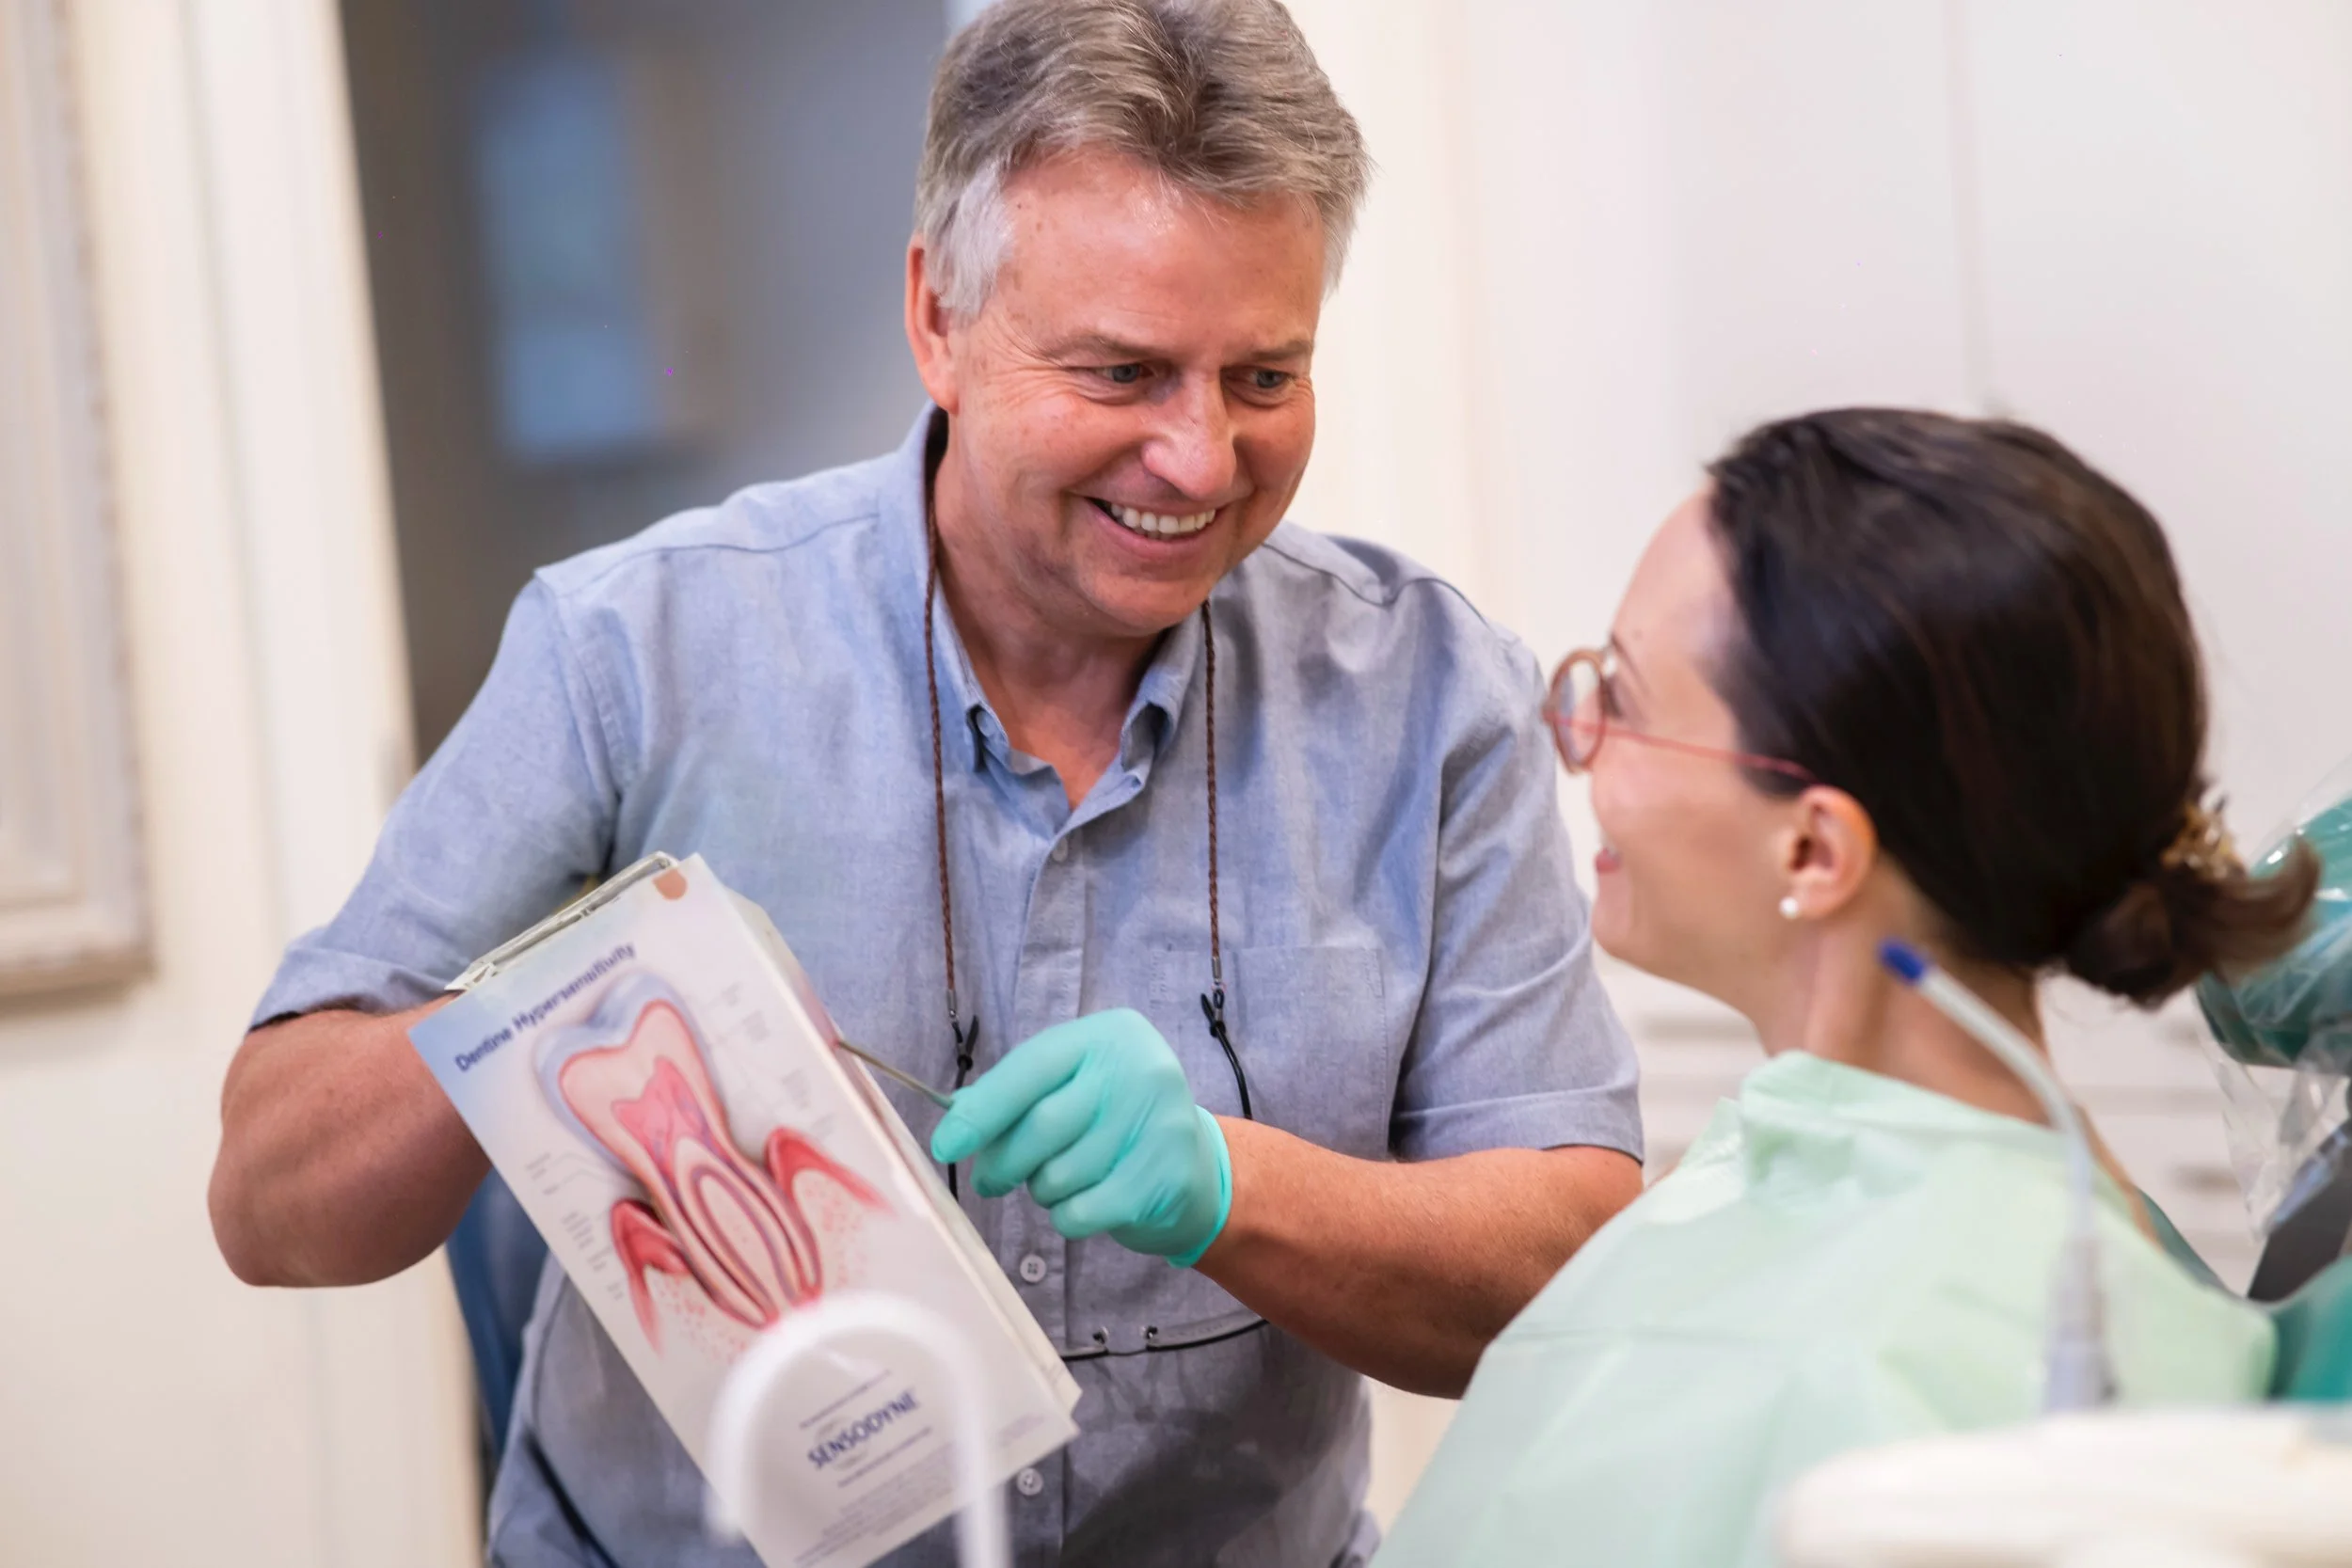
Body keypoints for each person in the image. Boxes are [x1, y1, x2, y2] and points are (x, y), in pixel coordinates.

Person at [205, 4, 1645, 1565]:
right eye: (1123, 369)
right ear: (936, 317)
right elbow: (272, 1200)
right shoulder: (638, 645)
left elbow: (1568, 1269)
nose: (1199, 456)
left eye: (1264, 376)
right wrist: (563, 1004)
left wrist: (1235, 1185)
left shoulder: (1433, 695)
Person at [1375, 409, 2320, 1568]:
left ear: (1813, 852)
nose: (1573, 737)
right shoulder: (1792, 1179)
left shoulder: (1977, 1363)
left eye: (1622, 698)